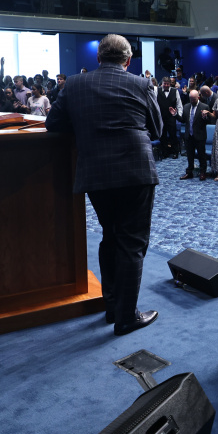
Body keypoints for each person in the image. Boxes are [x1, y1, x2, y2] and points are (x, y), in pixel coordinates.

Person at [46, 35, 162, 335]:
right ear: (128, 60)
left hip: (96, 172)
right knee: (132, 242)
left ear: (98, 58)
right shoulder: (141, 84)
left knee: (110, 236)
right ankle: (126, 317)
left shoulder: (73, 84)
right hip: (136, 170)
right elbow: (158, 129)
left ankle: (112, 307)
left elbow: (52, 124)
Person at [179, 87, 211, 180]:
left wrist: (205, 117)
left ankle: (203, 172)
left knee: (201, 155)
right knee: (190, 155)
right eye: (191, 99)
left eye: (194, 99)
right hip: (189, 135)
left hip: (200, 135)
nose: (192, 101)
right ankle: (189, 172)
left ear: (198, 97)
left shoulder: (204, 107)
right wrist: (175, 115)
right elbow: (183, 120)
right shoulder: (186, 106)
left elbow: (209, 121)